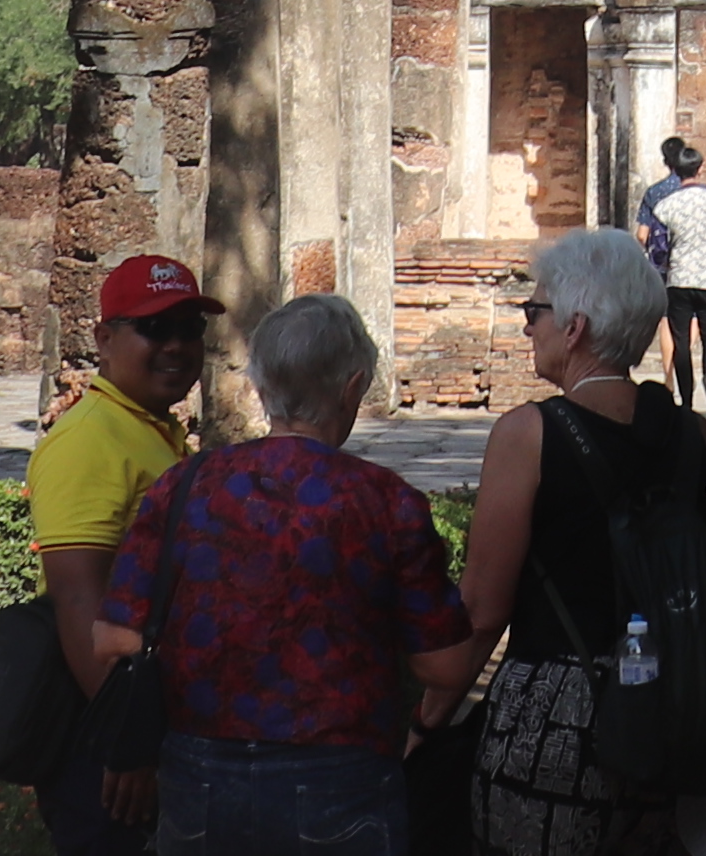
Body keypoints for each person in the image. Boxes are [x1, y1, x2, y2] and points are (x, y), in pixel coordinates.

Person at [95, 292, 476, 855]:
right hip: (341, 779)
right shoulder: (386, 501)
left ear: (260, 386)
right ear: (352, 388)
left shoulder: (183, 487)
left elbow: (114, 639)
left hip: (199, 775)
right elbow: (445, 666)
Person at [457, 228, 706, 856]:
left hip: (555, 721)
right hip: (670, 713)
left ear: (574, 327)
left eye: (535, 312)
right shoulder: (693, 438)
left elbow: (482, 611)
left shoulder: (528, 434)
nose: (527, 327)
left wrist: (428, 717)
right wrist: (705, 714)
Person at [24, 250, 213, 849]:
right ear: (104, 340)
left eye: (191, 330)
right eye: (155, 328)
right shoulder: (90, 440)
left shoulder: (149, 429)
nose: (177, 346)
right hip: (106, 728)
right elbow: (79, 598)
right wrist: (126, 744)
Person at [631, 138, 706, 414]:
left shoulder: (666, 205)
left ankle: (686, 399)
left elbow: (658, 247)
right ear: (699, 169)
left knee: (680, 341)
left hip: (678, 278)